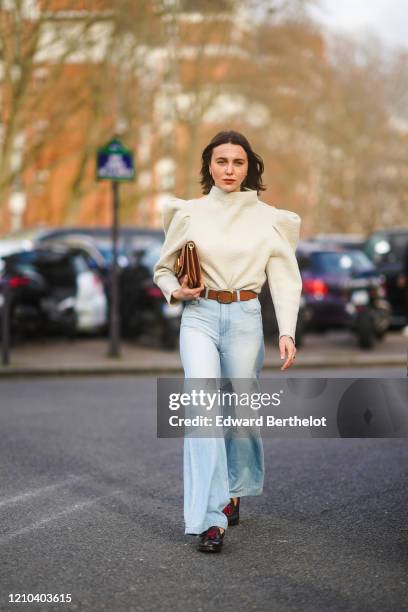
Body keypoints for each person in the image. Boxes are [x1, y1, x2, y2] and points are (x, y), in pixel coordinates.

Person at [153, 130, 302, 553]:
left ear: (248, 167)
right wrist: (175, 291)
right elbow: (162, 270)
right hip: (198, 316)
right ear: (209, 166)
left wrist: (287, 330)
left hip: (245, 316)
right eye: (221, 161)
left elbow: (286, 278)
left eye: (238, 162)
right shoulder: (189, 214)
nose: (230, 169)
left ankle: (235, 487)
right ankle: (210, 517)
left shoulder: (270, 218)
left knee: (242, 409)